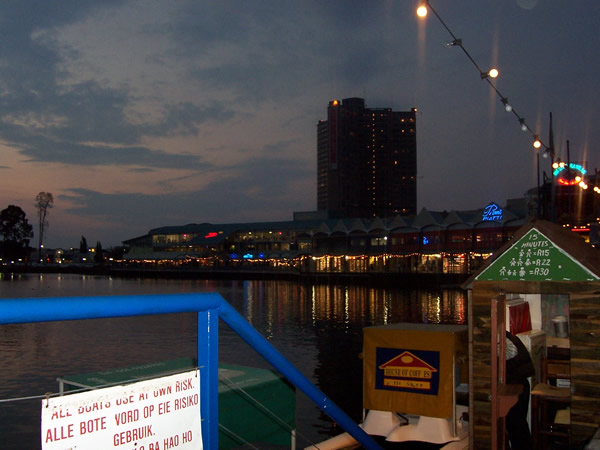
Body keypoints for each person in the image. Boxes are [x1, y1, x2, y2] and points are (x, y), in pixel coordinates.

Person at [505, 330, 536, 450]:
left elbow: (511, 351)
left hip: (515, 385)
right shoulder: (504, 334)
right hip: (519, 382)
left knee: (516, 426)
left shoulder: (499, 336)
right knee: (519, 427)